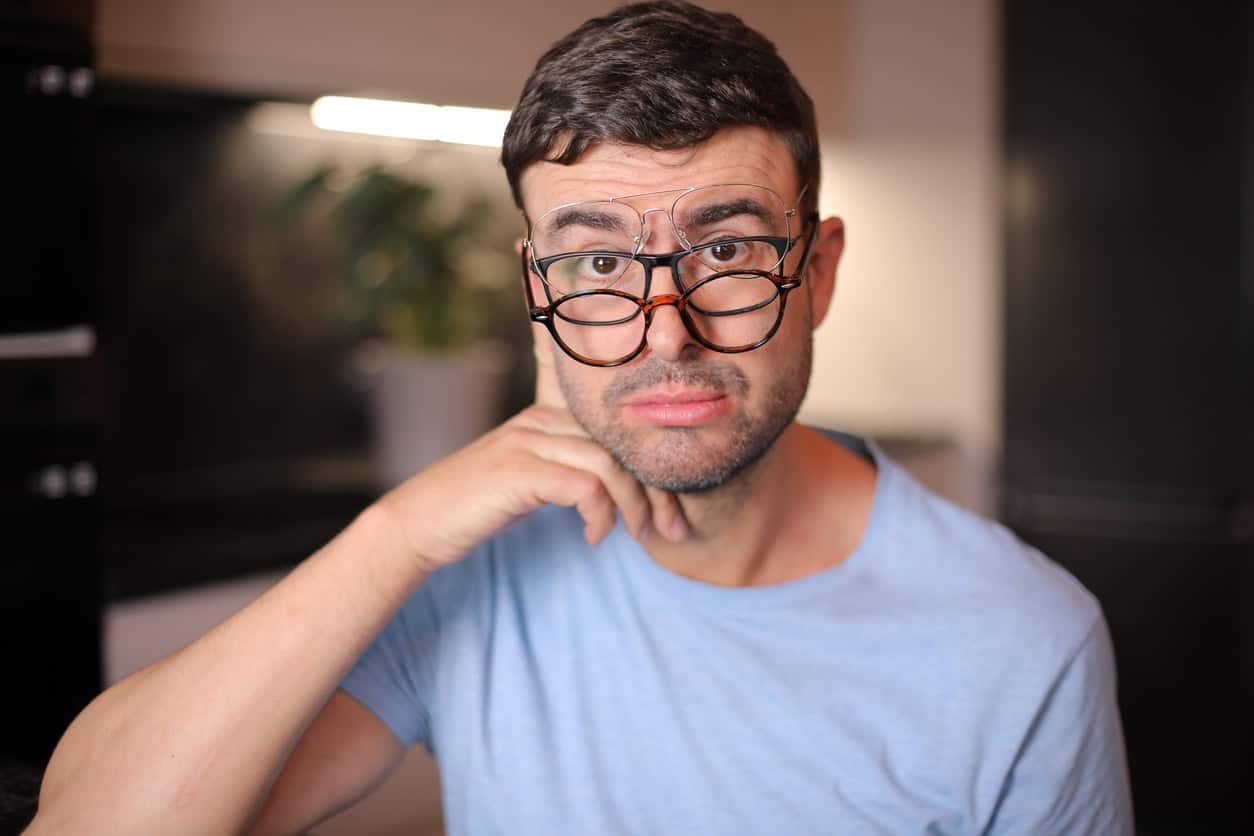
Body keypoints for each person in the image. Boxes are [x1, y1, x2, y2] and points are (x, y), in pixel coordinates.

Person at [28, 2, 1134, 834]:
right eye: (600, 260)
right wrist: (395, 533)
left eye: (730, 249)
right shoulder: (473, 570)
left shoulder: (1021, 642)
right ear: (536, 288)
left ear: (820, 271)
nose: (665, 329)